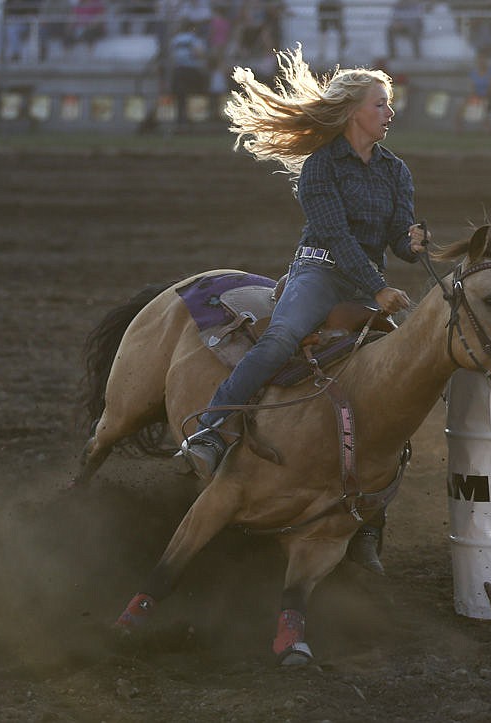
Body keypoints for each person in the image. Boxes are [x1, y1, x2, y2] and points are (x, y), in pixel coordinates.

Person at [179, 45, 430, 572]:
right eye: (380, 104)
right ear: (353, 112)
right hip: (320, 269)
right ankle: (210, 429)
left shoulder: (395, 171)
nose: (389, 113)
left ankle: (367, 520)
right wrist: (378, 288)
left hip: (366, 281)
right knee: (280, 338)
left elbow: (397, 239)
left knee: (400, 373)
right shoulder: (320, 166)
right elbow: (335, 237)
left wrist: (413, 242)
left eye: (389, 104)